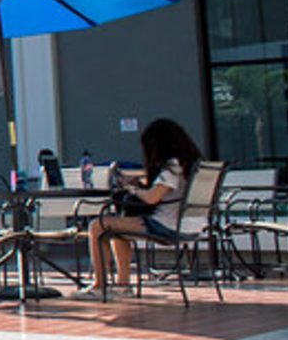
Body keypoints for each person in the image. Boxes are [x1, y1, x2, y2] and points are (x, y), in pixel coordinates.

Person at [75, 118, 202, 300]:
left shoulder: (172, 167)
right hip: (193, 225)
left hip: (167, 225)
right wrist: (142, 184)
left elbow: (152, 198)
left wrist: (132, 188)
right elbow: (164, 191)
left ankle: (100, 286)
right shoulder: (189, 164)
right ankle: (122, 285)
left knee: (97, 226)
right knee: (117, 227)